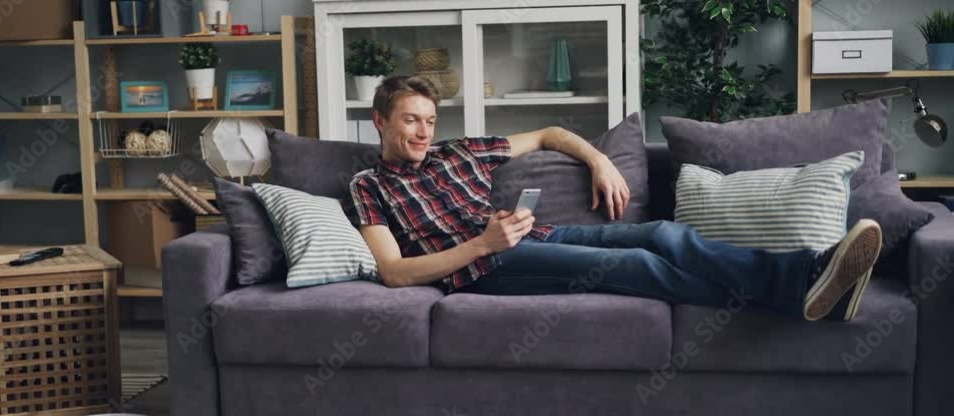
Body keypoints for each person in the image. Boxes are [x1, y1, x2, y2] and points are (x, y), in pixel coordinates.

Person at [343, 75, 882, 322]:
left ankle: (805, 275)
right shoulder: (369, 186)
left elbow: (551, 133)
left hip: (536, 235)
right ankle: (798, 289)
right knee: (639, 265)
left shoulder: (460, 151)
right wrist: (483, 245)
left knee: (662, 234)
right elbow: (394, 272)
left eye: (429, 120)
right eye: (410, 120)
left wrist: (599, 160)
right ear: (380, 121)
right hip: (483, 267)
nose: (423, 131)